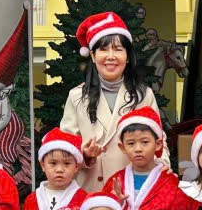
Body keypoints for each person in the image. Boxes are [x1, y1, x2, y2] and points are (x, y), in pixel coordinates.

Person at [60, 11, 159, 191]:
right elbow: (65, 150)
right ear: (92, 55)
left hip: (132, 190)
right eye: (103, 49)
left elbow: (160, 144)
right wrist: (85, 155)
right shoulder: (76, 97)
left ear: (127, 57)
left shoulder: (144, 95)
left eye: (118, 49)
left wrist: (162, 173)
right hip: (90, 193)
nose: (111, 56)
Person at [102, 106, 183, 210]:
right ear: (122, 147)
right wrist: (116, 203)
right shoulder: (115, 181)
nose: (138, 149)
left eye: (145, 142)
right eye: (131, 143)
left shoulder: (170, 183)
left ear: (158, 144)